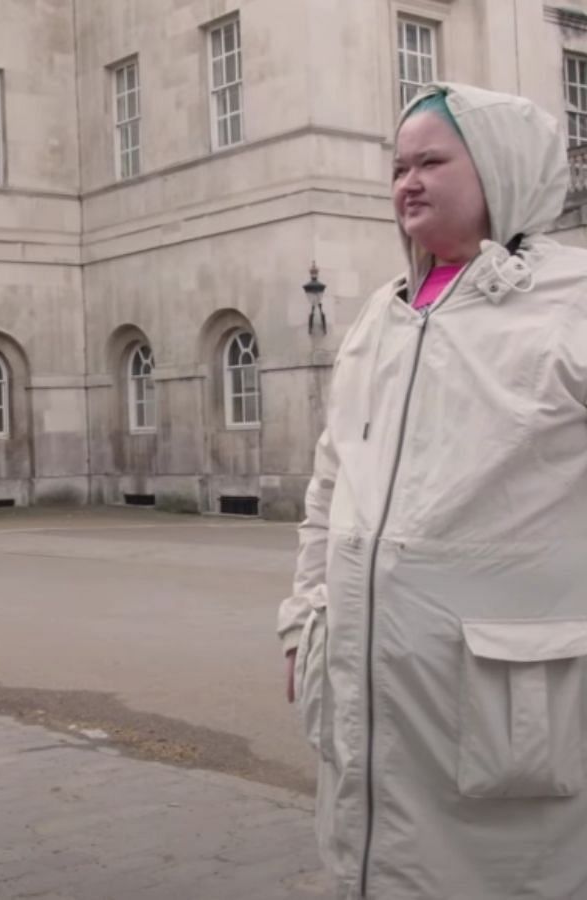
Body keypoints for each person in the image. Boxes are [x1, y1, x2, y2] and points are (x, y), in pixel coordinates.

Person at [278, 82, 587, 899]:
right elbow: (332, 478)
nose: (406, 181)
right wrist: (305, 614)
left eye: (430, 162)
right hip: (369, 681)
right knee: (378, 861)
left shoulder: (571, 301)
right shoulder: (381, 313)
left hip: (508, 698)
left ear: (497, 169)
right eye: (397, 166)